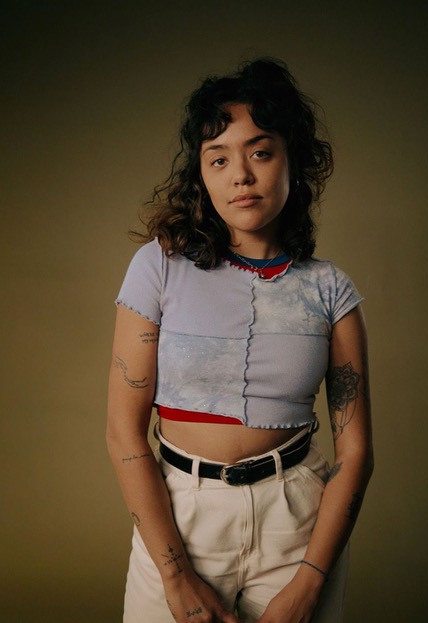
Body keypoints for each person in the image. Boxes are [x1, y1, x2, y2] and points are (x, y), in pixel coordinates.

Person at [107, 58, 373, 623]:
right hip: (179, 520)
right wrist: (175, 576)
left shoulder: (331, 290)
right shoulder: (159, 267)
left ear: (292, 161)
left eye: (261, 152)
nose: (241, 176)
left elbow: (355, 454)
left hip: (297, 525)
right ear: (202, 175)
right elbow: (123, 433)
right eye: (219, 158)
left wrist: (309, 583)